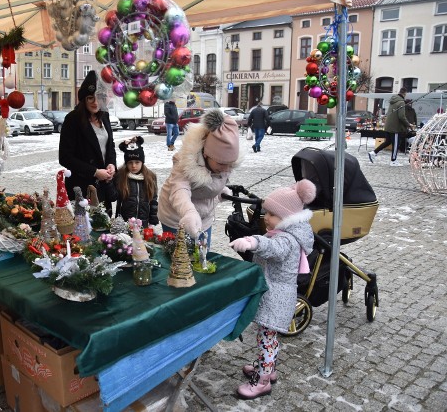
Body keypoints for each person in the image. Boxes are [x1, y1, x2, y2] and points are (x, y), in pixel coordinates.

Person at [230, 179, 316, 400]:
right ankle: (267, 367)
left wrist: (253, 242)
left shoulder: (286, 239)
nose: (266, 217)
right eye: (266, 212)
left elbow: (273, 249)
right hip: (274, 293)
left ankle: (262, 380)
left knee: (267, 339)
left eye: (272, 214)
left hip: (276, 297)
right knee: (268, 337)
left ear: (287, 218)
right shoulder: (286, 233)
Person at [158, 109, 240, 248]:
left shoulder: (224, 162)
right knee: (179, 260)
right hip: (176, 216)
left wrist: (220, 192)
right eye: (221, 163)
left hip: (204, 216)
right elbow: (180, 189)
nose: (226, 169)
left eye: (230, 164)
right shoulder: (185, 162)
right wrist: (189, 212)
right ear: (206, 154)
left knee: (202, 256)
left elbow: (212, 183)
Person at [59, 70, 117, 216]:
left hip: (103, 185)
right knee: (83, 229)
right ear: (84, 99)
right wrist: (95, 172)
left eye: (99, 97)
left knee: (104, 225)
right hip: (82, 186)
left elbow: (110, 146)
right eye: (90, 98)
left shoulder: (105, 117)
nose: (95, 102)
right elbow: (65, 157)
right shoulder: (72, 120)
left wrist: (111, 164)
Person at [115, 136, 159, 228]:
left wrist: (153, 222)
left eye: (137, 162)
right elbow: (115, 198)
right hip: (125, 224)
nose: (134, 166)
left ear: (142, 162)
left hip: (144, 224)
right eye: (130, 162)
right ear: (126, 163)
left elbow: (153, 201)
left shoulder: (150, 177)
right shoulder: (121, 176)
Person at [368, 88, 414, 166]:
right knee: (396, 144)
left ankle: (373, 152)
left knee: (388, 142)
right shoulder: (401, 102)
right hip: (395, 128)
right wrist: (409, 125)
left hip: (388, 126)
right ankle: (393, 161)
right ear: (404, 94)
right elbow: (401, 116)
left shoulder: (393, 101)